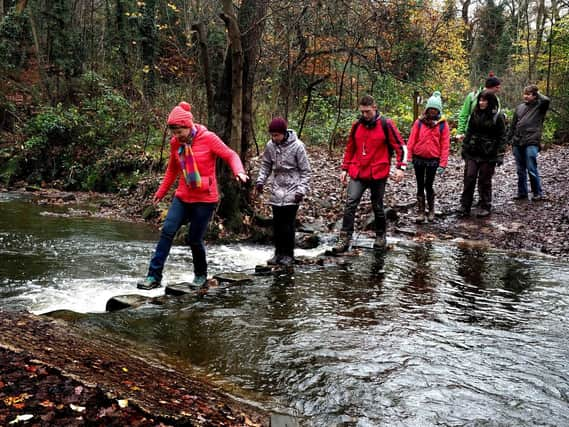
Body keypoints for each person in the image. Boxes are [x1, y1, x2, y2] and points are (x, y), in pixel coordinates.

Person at [137, 102, 248, 290]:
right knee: (167, 231)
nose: (176, 136)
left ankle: (200, 275)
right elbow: (173, 169)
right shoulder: (175, 143)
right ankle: (153, 276)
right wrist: (161, 192)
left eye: (179, 131)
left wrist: (239, 171)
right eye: (173, 132)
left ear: (189, 126)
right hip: (183, 196)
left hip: (205, 199)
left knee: (194, 239)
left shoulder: (208, 138)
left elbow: (230, 155)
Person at [332, 95, 406, 253]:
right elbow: (350, 147)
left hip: (378, 172)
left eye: (367, 112)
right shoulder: (357, 125)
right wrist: (345, 168)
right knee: (350, 203)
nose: (365, 115)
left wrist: (401, 167)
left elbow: (401, 146)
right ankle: (345, 237)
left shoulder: (386, 124)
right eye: (362, 112)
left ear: (374, 107)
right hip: (358, 170)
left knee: (377, 205)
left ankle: (380, 236)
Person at [255, 117, 311, 267]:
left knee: (288, 224)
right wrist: (260, 181)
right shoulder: (270, 146)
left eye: (276, 135)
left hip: (293, 189)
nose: (274, 138)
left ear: (284, 133)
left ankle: (288, 254)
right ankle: (278, 253)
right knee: (277, 223)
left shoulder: (298, 146)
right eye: (272, 135)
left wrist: (301, 190)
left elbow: (305, 171)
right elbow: (266, 165)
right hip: (276, 188)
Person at [459, 90, 506, 218]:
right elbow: (469, 132)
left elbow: (502, 136)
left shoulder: (498, 116)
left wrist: (500, 154)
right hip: (473, 151)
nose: (481, 102)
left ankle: (485, 205)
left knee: (485, 180)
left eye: (484, 100)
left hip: (489, 153)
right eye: (480, 100)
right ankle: (465, 205)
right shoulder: (475, 114)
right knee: (469, 177)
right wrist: (464, 148)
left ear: (490, 101)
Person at [406, 91, 450, 222]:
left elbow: (445, 145)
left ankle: (431, 209)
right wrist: (408, 159)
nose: (432, 112)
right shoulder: (419, 123)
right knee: (420, 184)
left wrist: (443, 164)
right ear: (426, 109)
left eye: (435, 109)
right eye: (430, 109)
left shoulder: (443, 125)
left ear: (439, 111)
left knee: (428, 184)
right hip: (418, 158)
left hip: (433, 160)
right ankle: (420, 211)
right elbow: (411, 141)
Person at [508, 84, 550, 201]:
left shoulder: (540, 106)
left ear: (535, 95)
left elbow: (546, 100)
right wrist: (508, 139)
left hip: (532, 141)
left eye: (528, 94)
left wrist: (537, 92)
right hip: (518, 141)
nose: (525, 96)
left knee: (531, 167)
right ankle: (522, 193)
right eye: (524, 94)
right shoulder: (520, 107)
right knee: (520, 169)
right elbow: (513, 125)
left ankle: (537, 193)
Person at [456, 72, 502, 142]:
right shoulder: (472, 97)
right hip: (470, 135)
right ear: (491, 87)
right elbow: (463, 115)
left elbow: (497, 118)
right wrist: (460, 132)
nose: (499, 90)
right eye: (497, 87)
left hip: (489, 137)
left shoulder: (496, 100)